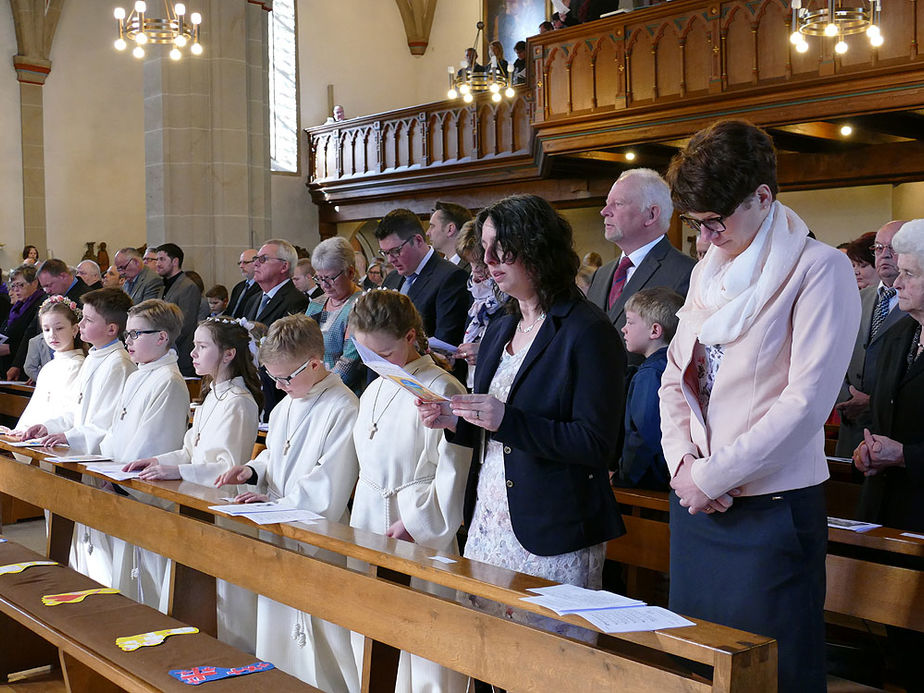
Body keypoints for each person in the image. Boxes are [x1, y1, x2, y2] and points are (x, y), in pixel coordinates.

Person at [660, 120, 860, 692]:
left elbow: (805, 404)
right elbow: (675, 379)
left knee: (774, 674)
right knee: (696, 667)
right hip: (698, 503)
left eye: (714, 222)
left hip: (771, 511)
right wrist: (684, 469)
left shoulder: (819, 270)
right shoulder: (706, 272)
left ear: (763, 197)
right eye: (696, 224)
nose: (704, 238)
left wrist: (714, 474)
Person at [417, 194, 626, 640]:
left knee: (551, 661)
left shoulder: (588, 331)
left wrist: (506, 419)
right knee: (487, 646)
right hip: (491, 515)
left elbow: (596, 444)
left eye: (501, 248)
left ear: (537, 248)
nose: (488, 260)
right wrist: (454, 420)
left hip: (554, 525)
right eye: (485, 248)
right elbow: (490, 427)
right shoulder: (502, 326)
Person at [215, 314, 360, 692]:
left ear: (315, 363)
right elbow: (275, 457)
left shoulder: (342, 407)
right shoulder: (286, 404)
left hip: (317, 535)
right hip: (277, 525)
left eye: (284, 378)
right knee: (276, 626)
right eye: (273, 378)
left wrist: (277, 502)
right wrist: (251, 470)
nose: (278, 386)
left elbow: (331, 482)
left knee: (323, 634)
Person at [349, 290, 470, 693]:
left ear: (411, 337)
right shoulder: (376, 387)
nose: (377, 364)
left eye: (384, 352)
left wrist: (418, 522)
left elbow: (454, 467)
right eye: (367, 354)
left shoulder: (442, 386)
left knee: (426, 644)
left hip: (417, 524)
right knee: (372, 631)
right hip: (370, 516)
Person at [123, 316, 262, 652]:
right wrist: (159, 461)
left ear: (228, 354)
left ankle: (230, 651)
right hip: (196, 503)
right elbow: (189, 449)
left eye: (202, 347)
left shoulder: (239, 402)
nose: (193, 353)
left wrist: (180, 473)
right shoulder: (213, 395)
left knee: (224, 601)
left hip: (222, 510)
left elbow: (226, 467)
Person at [852, 218, 924, 693]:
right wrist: (868, 448)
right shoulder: (899, 335)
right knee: (897, 651)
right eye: (897, 271)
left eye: (911, 274)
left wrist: (908, 456)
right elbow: (881, 415)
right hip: (888, 508)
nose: (896, 282)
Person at [98, 299, 191, 608]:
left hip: (141, 493)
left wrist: (120, 480)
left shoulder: (169, 381)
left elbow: (154, 443)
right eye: (128, 334)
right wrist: (104, 467)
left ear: (162, 337)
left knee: (145, 581)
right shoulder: (138, 374)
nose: (128, 341)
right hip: (118, 479)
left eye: (136, 334)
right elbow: (115, 430)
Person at [586, 168, 696, 365]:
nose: (604, 212)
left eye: (617, 204)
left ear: (651, 214)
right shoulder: (601, 275)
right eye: (606, 204)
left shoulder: (688, 273)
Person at [835, 220, 907, 457]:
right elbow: (834, 353)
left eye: (893, 248)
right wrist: (847, 398)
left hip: (896, 431)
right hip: (851, 427)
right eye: (878, 248)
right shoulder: (854, 298)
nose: (884, 255)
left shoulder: (916, 302)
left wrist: (874, 402)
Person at [616, 287, 684, 490]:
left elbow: (645, 437)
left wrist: (623, 477)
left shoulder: (650, 374)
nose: (623, 329)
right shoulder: (676, 364)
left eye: (630, 322)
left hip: (647, 484)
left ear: (655, 330)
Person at [378, 208, 471, 349]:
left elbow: (445, 345)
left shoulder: (451, 277)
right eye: (385, 253)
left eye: (395, 251)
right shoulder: (392, 278)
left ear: (417, 240)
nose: (390, 259)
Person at [12, 296, 85, 431]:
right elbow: (34, 408)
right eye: (46, 329)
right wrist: (19, 431)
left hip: (54, 439)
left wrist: (42, 431)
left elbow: (69, 413)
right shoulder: (48, 367)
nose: (52, 335)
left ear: (75, 329)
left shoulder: (78, 366)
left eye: (59, 328)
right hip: (34, 437)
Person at [304, 237, 365, 394]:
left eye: (330, 278)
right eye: (319, 278)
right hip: (312, 387)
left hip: (343, 393)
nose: (324, 285)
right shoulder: (316, 304)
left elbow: (349, 364)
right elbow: (301, 347)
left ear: (350, 272)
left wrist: (319, 390)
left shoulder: (361, 306)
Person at [452, 221, 507, 390]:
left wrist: (484, 351)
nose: (475, 270)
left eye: (480, 264)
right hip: (472, 382)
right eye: (470, 263)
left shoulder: (509, 295)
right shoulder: (475, 291)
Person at [154, 243, 201, 376]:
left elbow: (185, 324)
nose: (157, 263)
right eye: (157, 259)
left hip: (180, 353)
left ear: (175, 261)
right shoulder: (163, 286)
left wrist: (162, 345)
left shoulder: (188, 287)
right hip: (164, 350)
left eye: (162, 259)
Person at [0, 265, 44, 380]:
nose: (15, 290)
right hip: (7, 363)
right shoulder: (18, 306)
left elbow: (32, 337)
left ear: (34, 283)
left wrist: (10, 348)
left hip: (23, 367)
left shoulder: (39, 305)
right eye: (13, 286)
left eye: (20, 285)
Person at [427, 201, 473, 269]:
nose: (427, 233)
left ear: (450, 229)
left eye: (432, 226)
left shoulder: (473, 268)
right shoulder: (436, 267)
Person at [226, 249, 261, 318]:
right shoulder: (238, 287)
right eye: (240, 263)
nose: (241, 266)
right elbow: (229, 310)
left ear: (257, 263)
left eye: (245, 262)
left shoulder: (261, 287)